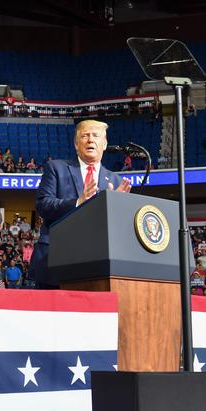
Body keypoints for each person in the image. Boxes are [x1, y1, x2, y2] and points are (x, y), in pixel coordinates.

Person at [30, 119, 131, 288]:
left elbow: (119, 229)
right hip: (56, 260)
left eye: (96, 136)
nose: (91, 140)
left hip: (99, 264)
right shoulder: (56, 168)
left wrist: (116, 207)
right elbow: (43, 205)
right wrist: (78, 202)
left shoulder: (116, 180)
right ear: (77, 144)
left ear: (104, 144)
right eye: (85, 135)